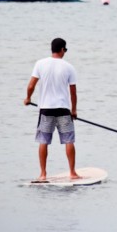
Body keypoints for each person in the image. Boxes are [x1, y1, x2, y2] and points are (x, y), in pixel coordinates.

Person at [23, 38, 79, 181]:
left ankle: (43, 174)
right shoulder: (69, 67)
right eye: (65, 50)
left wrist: (28, 98)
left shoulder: (40, 64)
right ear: (61, 49)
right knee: (68, 141)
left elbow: (31, 86)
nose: (65, 53)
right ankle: (72, 173)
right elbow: (73, 92)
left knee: (44, 141)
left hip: (46, 109)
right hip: (63, 109)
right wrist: (74, 111)